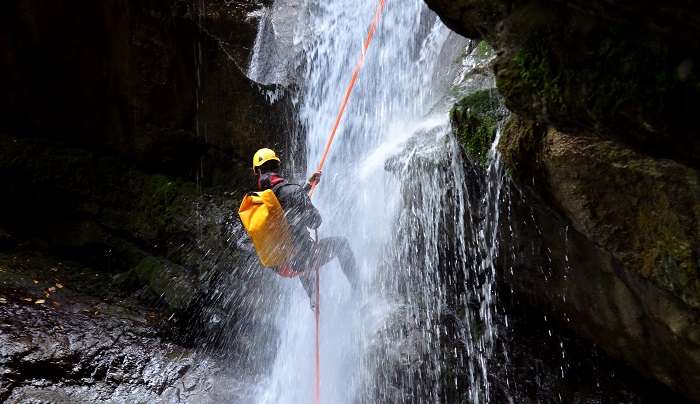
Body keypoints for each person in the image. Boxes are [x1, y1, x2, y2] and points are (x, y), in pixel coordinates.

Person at [251, 148, 360, 304]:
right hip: (300, 261)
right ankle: (359, 290)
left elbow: (285, 203)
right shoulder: (292, 191)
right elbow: (315, 222)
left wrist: (308, 187)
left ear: (258, 171)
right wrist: (304, 202)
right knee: (340, 244)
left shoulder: (261, 199)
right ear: (277, 167)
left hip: (279, 264)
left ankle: (313, 296)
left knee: (296, 245)